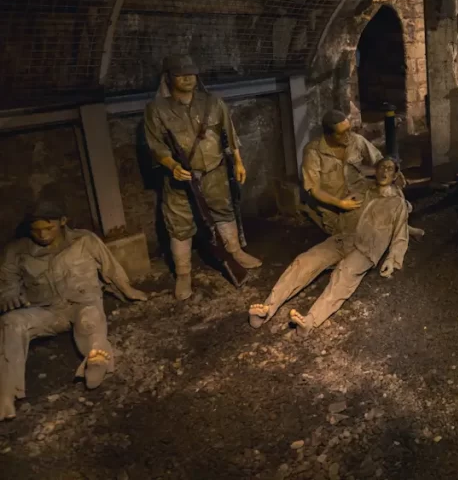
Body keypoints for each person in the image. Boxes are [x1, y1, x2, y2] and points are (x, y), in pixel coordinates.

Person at [0, 202, 148, 421]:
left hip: (82, 304)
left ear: (62, 221)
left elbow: (110, 267)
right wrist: (8, 296)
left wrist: (127, 289)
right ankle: (6, 393)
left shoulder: (84, 241)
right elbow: (7, 283)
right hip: (46, 311)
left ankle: (96, 360)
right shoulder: (17, 251)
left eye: (48, 228)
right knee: (10, 322)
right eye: (36, 229)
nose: (42, 234)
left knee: (91, 319)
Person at [144, 54, 262, 301]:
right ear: (169, 78)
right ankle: (184, 274)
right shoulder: (157, 110)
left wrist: (239, 163)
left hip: (215, 172)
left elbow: (230, 136)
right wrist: (172, 165)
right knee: (179, 224)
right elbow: (156, 147)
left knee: (223, 211)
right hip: (181, 179)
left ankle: (235, 252)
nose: (187, 79)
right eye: (180, 74)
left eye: (191, 73)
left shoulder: (213, 103)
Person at [249, 156, 411, 333]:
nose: (384, 172)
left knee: (343, 274)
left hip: (366, 249)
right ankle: (266, 310)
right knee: (305, 261)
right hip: (343, 239)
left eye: (389, 169)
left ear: (395, 176)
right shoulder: (361, 190)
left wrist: (393, 259)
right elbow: (341, 202)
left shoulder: (397, 204)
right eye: (381, 167)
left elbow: (401, 234)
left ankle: (310, 321)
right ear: (375, 171)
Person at [301, 109, 383, 236]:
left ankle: (405, 229)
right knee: (354, 233)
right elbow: (315, 190)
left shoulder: (356, 140)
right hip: (332, 204)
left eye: (349, 130)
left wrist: (388, 174)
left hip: (359, 193)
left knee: (393, 204)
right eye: (341, 133)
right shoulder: (313, 152)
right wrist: (340, 203)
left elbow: (380, 161)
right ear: (328, 135)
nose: (348, 135)